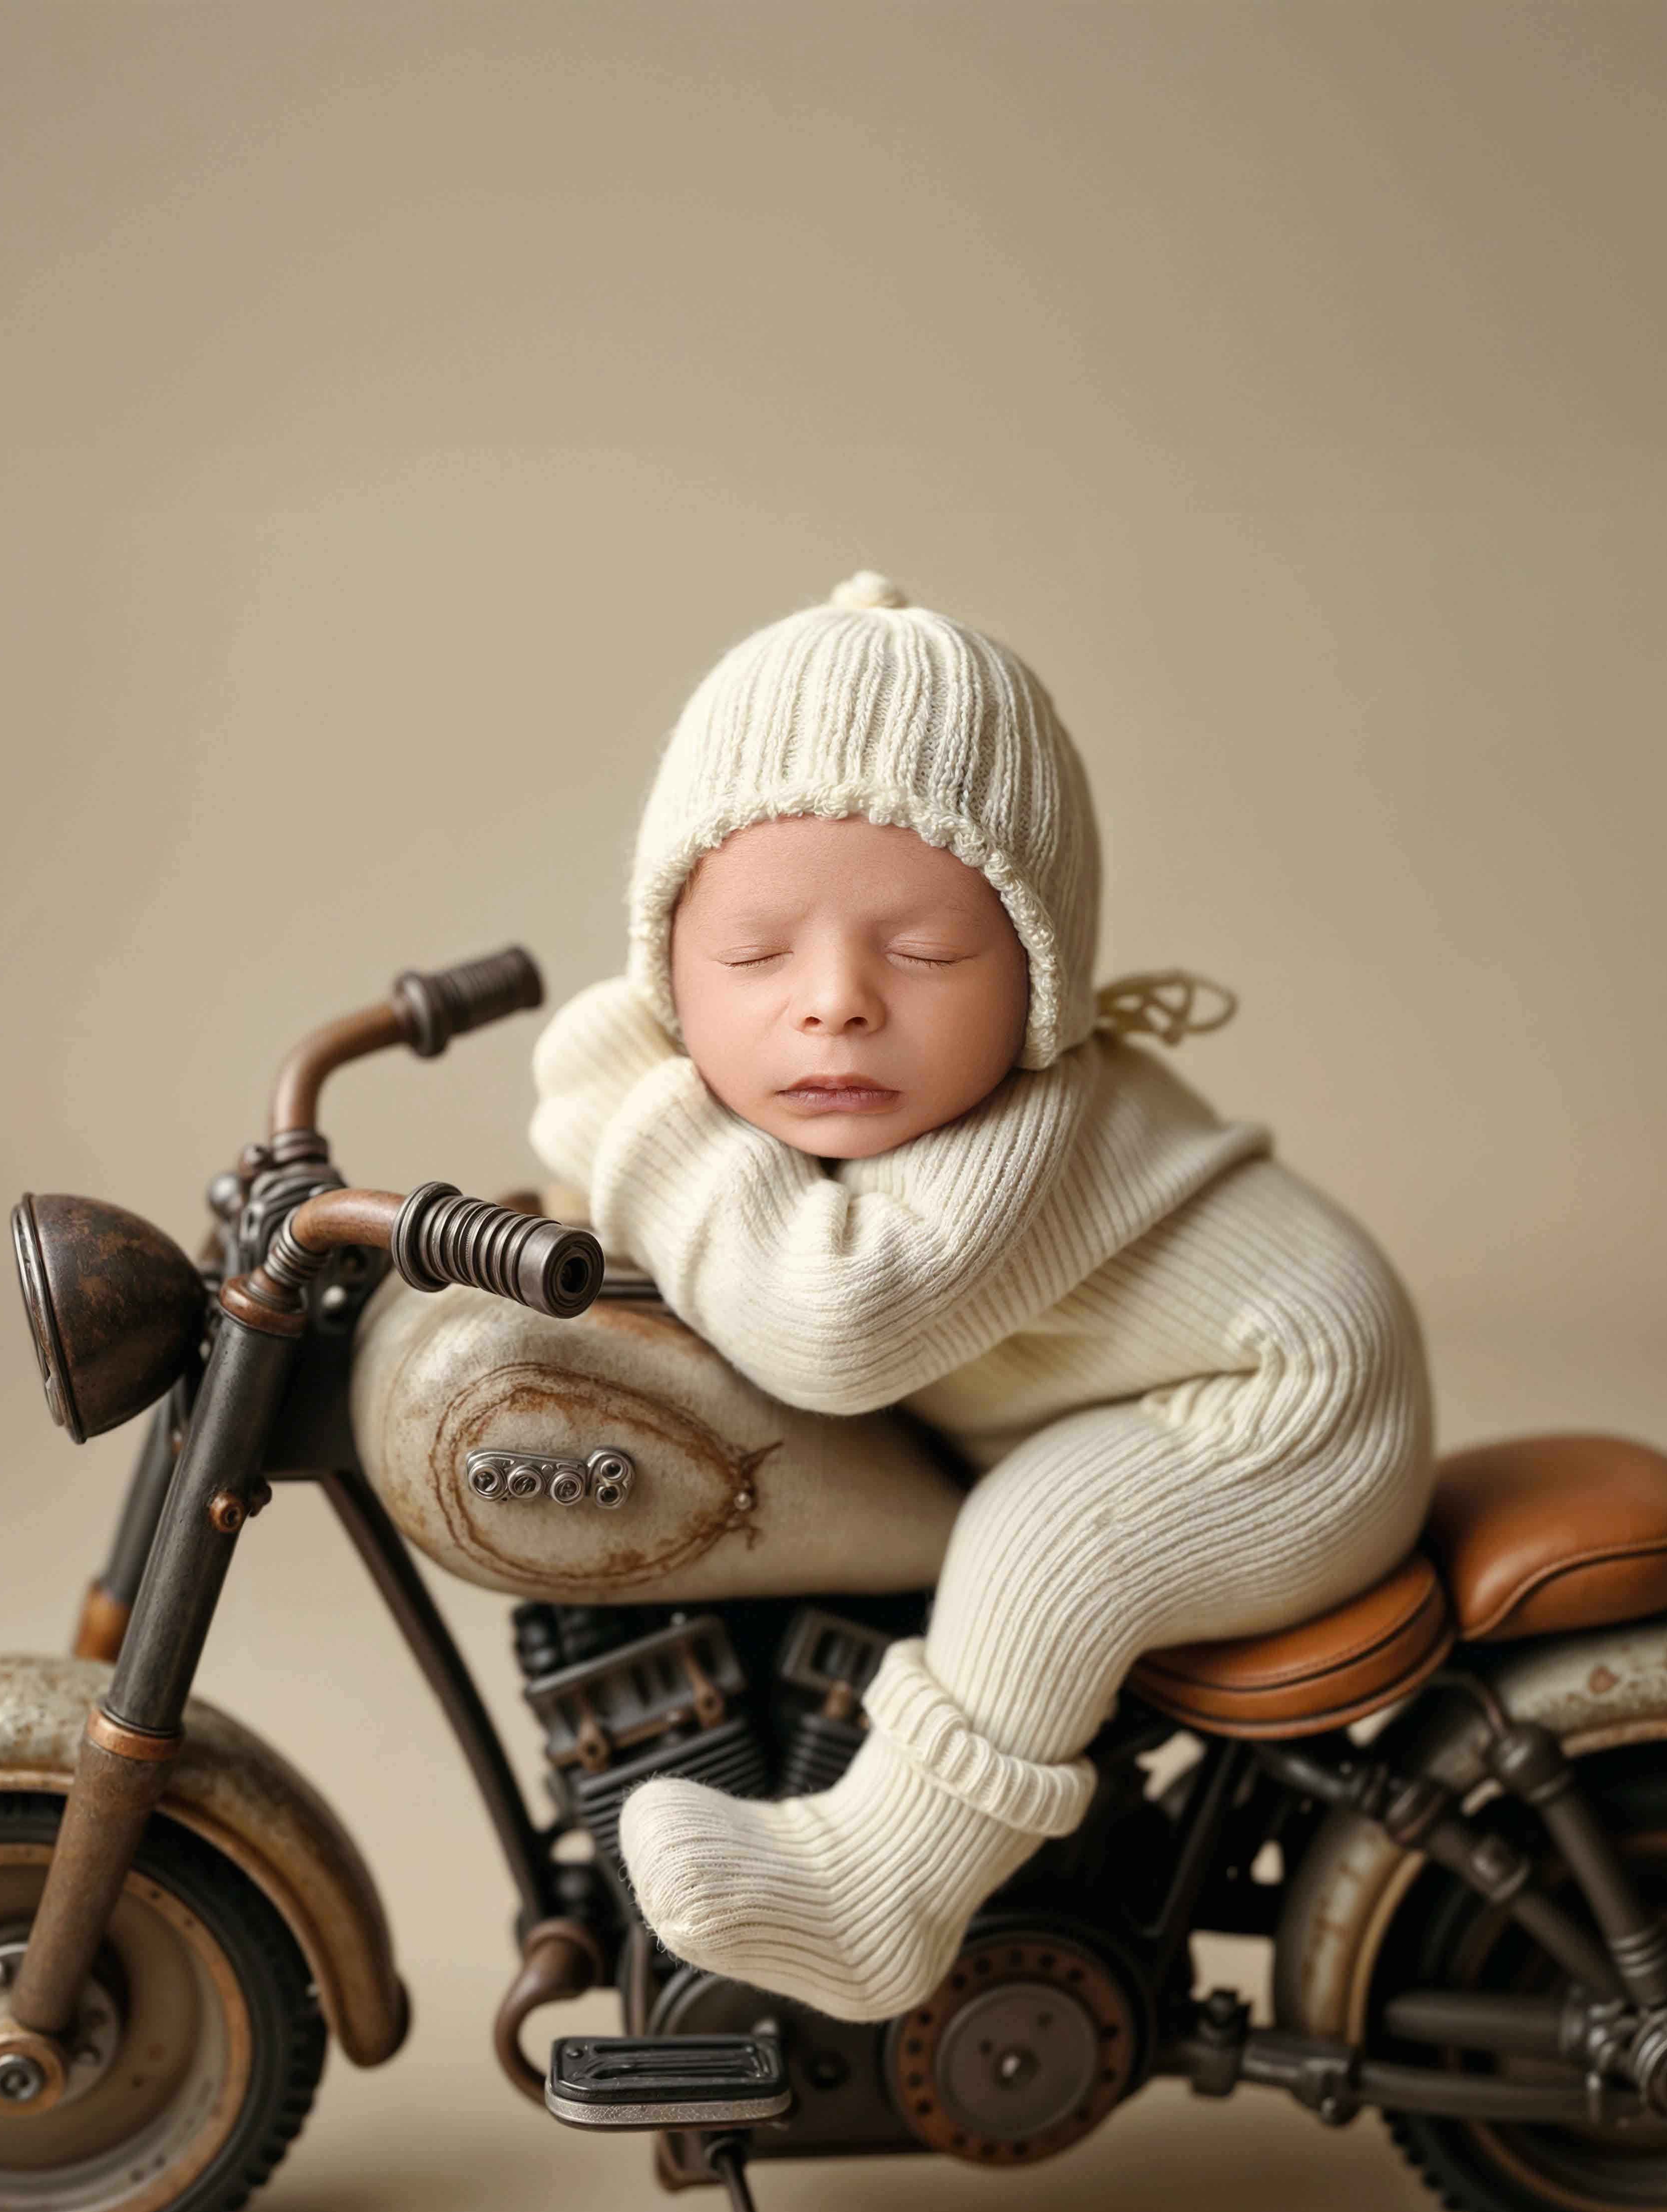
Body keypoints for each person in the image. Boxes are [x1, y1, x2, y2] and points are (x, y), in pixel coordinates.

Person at [529, 572, 1435, 2022]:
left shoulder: (1022, 1131)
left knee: (1046, 1544)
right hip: (1178, 1387)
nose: (833, 1001)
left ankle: (879, 1890)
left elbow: (834, 1325)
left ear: (1040, 984)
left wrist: (627, 1125)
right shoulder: (828, 1105)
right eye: (756, 954)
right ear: (670, 977)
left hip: (1288, 1406)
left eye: (930, 951)